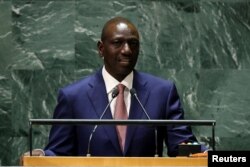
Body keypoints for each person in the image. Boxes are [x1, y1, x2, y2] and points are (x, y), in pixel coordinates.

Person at [24, 16, 207, 157]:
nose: (127, 50)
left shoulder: (162, 92)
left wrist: (208, 155)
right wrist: (41, 156)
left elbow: (182, 145)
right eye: (118, 43)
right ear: (101, 49)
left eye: (133, 44)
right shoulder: (73, 97)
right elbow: (58, 152)